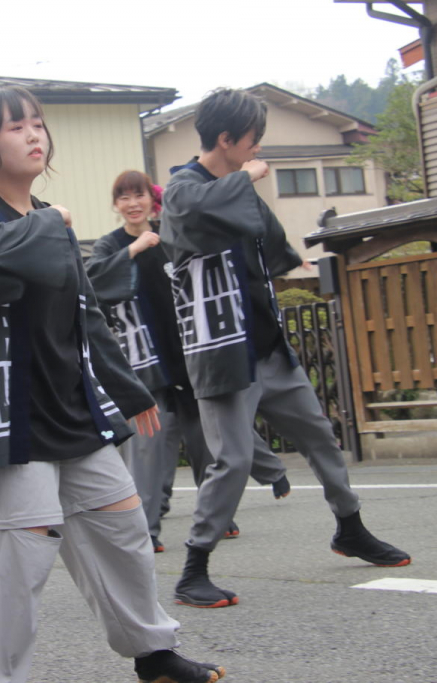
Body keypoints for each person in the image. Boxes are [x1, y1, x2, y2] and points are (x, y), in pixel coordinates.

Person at [0, 87, 224, 683]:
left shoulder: (47, 218)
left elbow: (87, 317)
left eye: (38, 124)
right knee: (19, 556)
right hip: (13, 414)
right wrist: (46, 224)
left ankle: (154, 654)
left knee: (121, 528)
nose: (34, 135)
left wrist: (129, 390)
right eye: (16, 128)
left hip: (73, 408)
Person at [160, 88, 410, 609]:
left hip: (268, 345)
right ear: (227, 139)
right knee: (230, 460)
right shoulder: (183, 186)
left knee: (320, 436)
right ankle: (193, 570)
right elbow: (189, 217)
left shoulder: (236, 185)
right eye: (253, 140)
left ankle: (350, 527)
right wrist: (244, 179)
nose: (258, 150)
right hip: (222, 350)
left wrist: (288, 257)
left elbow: (268, 241)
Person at [87, 170, 290, 554]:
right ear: (116, 205)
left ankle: (221, 515)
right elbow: (90, 281)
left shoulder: (171, 235)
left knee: (206, 443)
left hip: (189, 354)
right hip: (146, 365)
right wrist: (132, 251)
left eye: (139, 195)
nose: (132, 203)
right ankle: (146, 532)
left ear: (152, 199)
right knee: (147, 452)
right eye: (124, 197)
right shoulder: (109, 246)